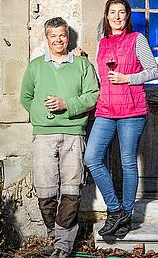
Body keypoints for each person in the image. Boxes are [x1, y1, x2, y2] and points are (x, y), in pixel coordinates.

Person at [20, 17, 99, 258]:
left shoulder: (82, 66)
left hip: (74, 134)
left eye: (62, 35)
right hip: (44, 135)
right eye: (53, 36)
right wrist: (43, 116)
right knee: (45, 190)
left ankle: (63, 246)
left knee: (71, 190)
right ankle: (55, 239)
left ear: (68, 37)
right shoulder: (35, 66)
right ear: (47, 38)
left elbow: (93, 96)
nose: (58, 40)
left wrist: (67, 105)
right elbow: (26, 97)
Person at [83, 0, 158, 238]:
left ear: (128, 16)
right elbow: (101, 76)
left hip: (132, 111)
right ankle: (116, 211)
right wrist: (82, 60)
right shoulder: (102, 43)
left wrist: (128, 78)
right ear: (106, 16)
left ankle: (126, 214)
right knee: (92, 157)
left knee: (127, 163)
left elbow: (154, 71)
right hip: (105, 108)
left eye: (121, 12)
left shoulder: (138, 40)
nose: (117, 16)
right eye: (112, 12)